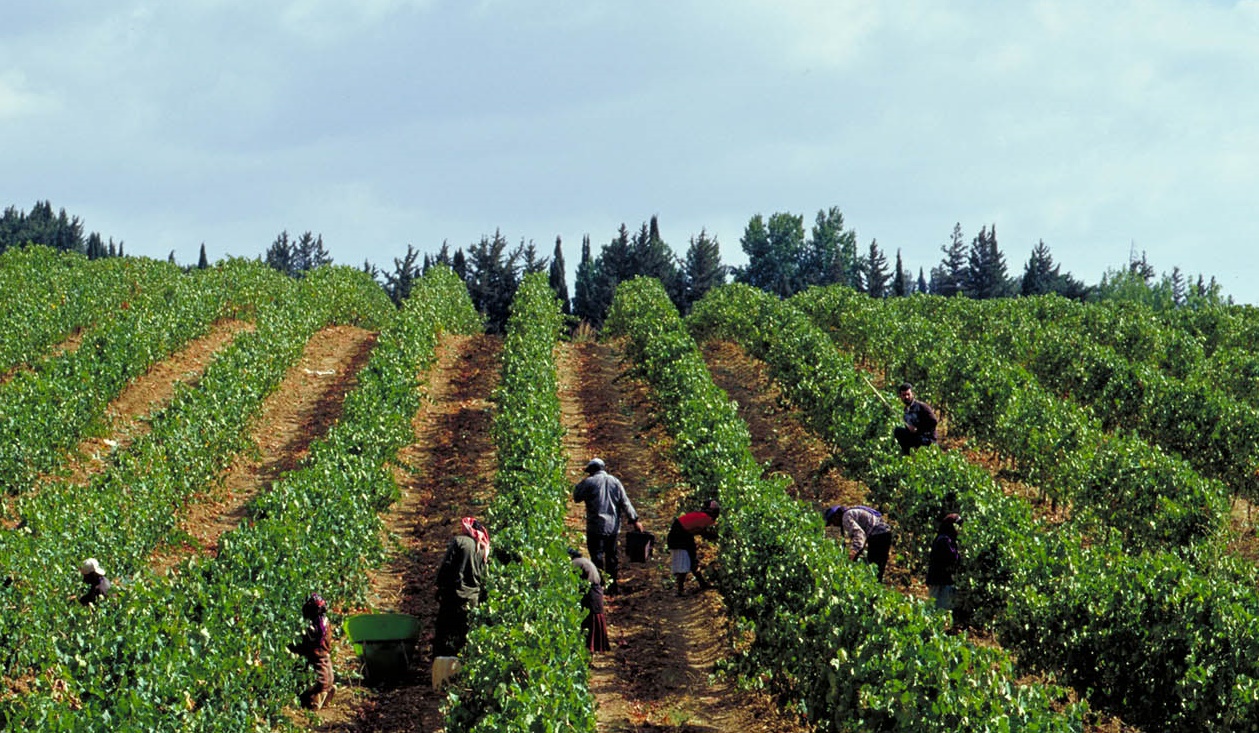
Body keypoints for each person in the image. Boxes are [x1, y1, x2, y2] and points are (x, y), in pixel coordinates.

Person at [572, 458, 642, 595]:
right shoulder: (615, 482)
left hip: (595, 527)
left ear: (592, 471)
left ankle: (599, 586)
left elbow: (576, 497)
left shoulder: (589, 482)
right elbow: (625, 503)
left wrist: (582, 483)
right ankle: (613, 586)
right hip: (612, 527)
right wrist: (635, 520)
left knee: (597, 557)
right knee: (612, 557)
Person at [433, 517, 490, 657]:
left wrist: (439, 587)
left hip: (454, 597)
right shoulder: (484, 549)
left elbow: (447, 566)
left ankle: (441, 669)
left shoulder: (459, 542)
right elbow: (485, 577)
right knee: (465, 638)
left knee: (443, 633)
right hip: (472, 600)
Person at [288, 592, 336, 710]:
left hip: (320, 672)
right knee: (326, 675)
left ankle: (317, 699)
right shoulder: (325, 623)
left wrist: (292, 648)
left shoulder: (313, 629)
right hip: (327, 665)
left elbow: (306, 646)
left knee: (308, 697)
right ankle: (328, 689)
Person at [824, 504, 893, 582]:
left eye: (833, 522)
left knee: (874, 568)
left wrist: (853, 552)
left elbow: (859, 535)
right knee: (878, 568)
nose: (834, 525)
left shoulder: (846, 517)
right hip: (885, 533)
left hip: (879, 535)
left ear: (836, 516)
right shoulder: (849, 513)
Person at [666, 499, 720, 596]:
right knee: (684, 563)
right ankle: (680, 590)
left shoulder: (701, 515)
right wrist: (714, 536)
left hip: (680, 533)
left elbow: (695, 530)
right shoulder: (707, 518)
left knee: (692, 560)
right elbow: (698, 531)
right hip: (679, 536)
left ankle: (702, 584)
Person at [567, 548, 610, 653]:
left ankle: (588, 652)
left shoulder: (574, 563)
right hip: (596, 592)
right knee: (594, 621)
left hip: (591, 594)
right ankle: (591, 652)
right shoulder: (585, 560)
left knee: (589, 623)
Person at [927, 513, 962, 630]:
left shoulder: (945, 538)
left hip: (941, 579)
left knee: (941, 608)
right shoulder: (944, 540)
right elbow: (953, 557)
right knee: (937, 608)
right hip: (939, 579)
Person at [893, 382, 938, 455]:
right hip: (915, 438)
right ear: (900, 396)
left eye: (908, 394)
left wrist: (918, 429)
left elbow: (934, 422)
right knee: (898, 431)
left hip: (926, 439)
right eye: (904, 395)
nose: (906, 397)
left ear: (912, 394)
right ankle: (907, 455)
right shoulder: (906, 410)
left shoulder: (922, 407)